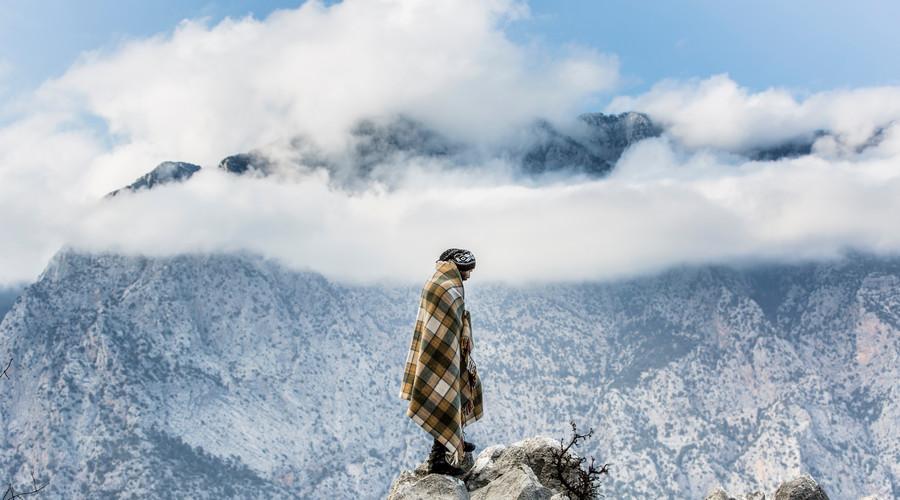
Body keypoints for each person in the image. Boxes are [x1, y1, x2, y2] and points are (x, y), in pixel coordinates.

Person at [399, 248, 484, 476]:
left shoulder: (438, 282)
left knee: (449, 396)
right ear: (459, 267)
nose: (469, 275)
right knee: (445, 396)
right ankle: (440, 459)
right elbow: (445, 326)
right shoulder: (448, 288)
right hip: (442, 356)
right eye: (467, 271)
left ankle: (450, 444)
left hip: (447, 354)